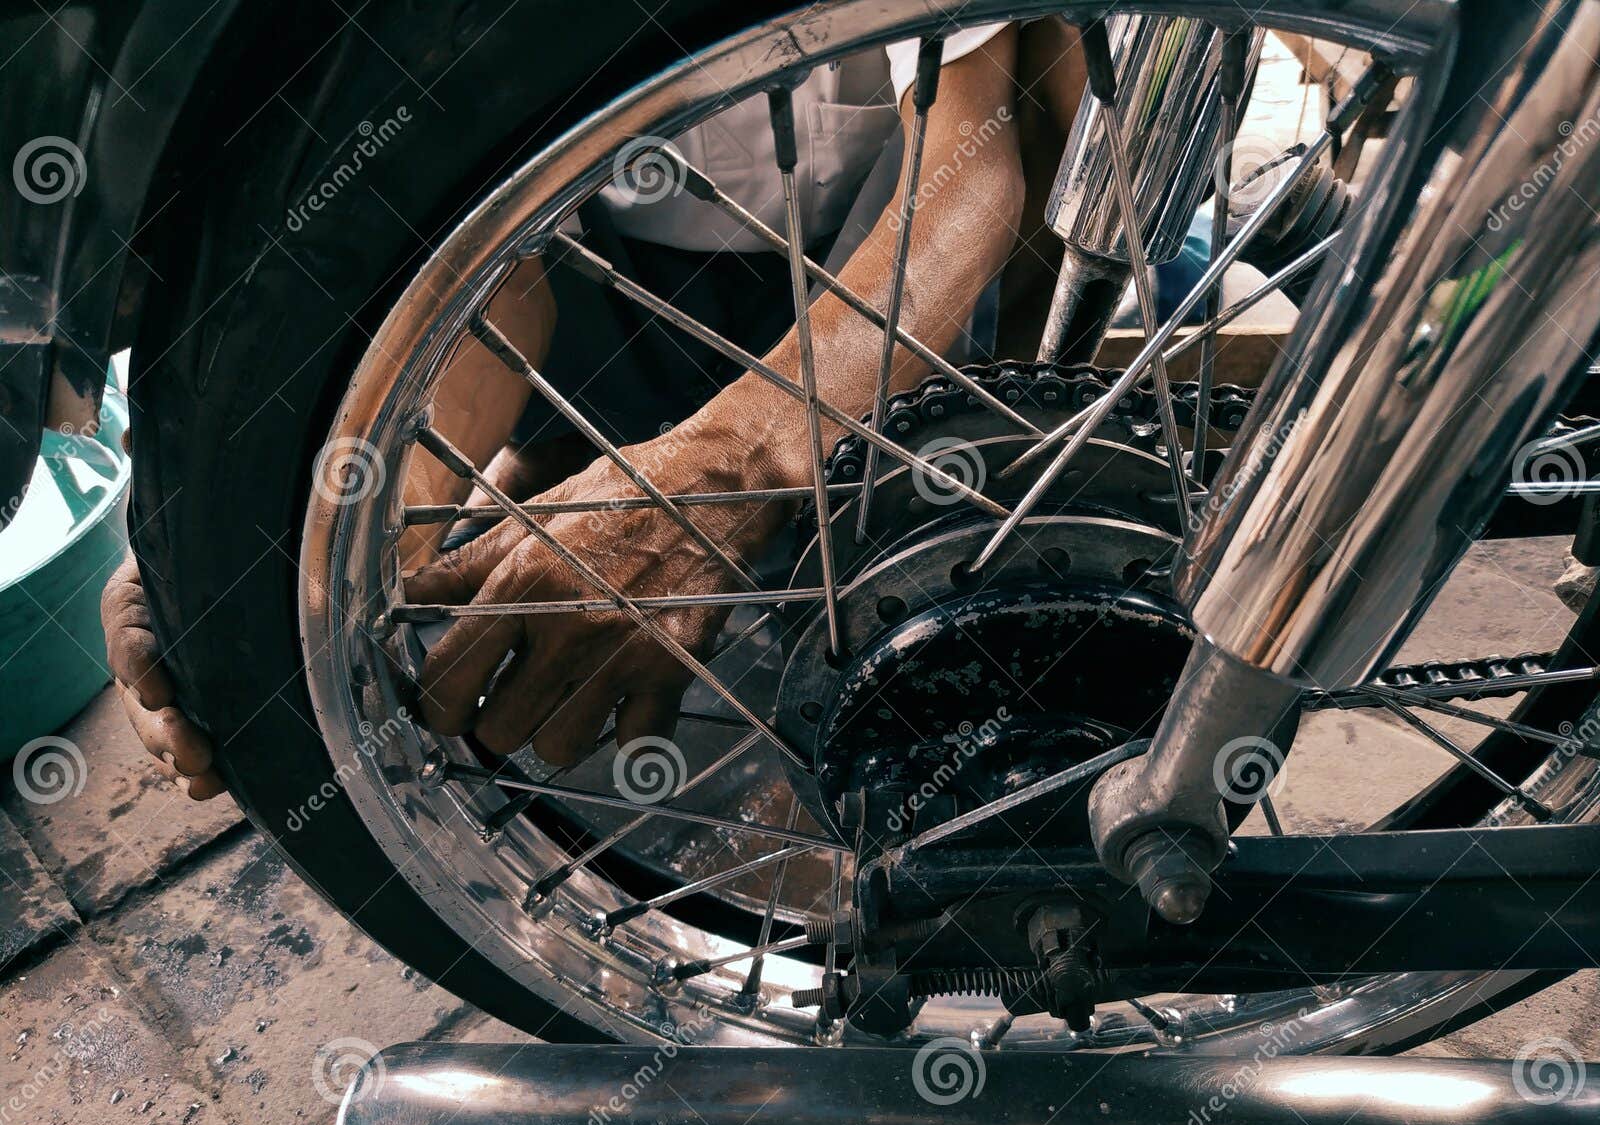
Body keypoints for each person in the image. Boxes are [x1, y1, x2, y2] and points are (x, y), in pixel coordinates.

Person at [102, 20, 1095, 797]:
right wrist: (300, 532)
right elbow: (497, 272)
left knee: (933, 596)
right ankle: (564, 490)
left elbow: (976, 162)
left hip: (895, 264)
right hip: (617, 280)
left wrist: (729, 467)